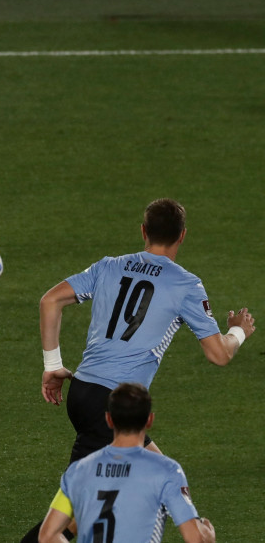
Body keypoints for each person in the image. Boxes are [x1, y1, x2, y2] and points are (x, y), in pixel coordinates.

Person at [20, 198, 254, 542]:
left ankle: (193, 531)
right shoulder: (186, 284)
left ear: (143, 231)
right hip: (112, 405)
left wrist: (53, 366)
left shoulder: (109, 266)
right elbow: (219, 355)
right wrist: (238, 332)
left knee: (154, 479)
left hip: (84, 391)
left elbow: (50, 300)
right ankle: (199, 535)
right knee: (68, 520)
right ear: (182, 236)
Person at [38, 383, 216, 543]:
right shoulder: (167, 471)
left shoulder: (78, 471)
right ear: (149, 420)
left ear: (108, 419)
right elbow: (196, 539)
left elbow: (47, 536)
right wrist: (207, 537)